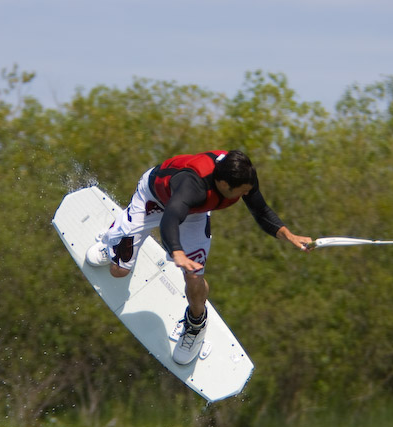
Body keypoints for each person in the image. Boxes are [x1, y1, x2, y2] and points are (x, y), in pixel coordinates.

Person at [85, 150, 311, 364]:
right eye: (241, 192)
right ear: (224, 184)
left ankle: (196, 325)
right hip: (153, 198)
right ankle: (113, 239)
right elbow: (169, 220)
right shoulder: (193, 185)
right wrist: (177, 251)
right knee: (118, 271)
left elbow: (260, 210)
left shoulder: (243, 174)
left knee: (194, 275)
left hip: (195, 213)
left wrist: (289, 236)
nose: (245, 195)